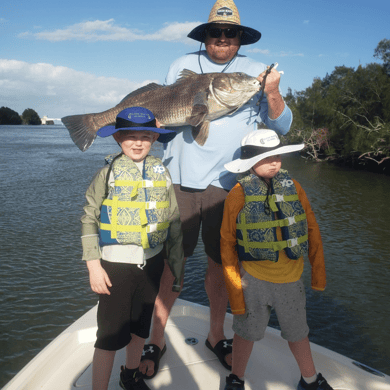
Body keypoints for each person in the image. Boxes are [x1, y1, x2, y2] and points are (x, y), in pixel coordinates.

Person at [139, 0, 293, 379]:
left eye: (231, 33)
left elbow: (283, 126)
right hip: (180, 181)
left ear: (241, 38)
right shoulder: (180, 65)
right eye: (215, 32)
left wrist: (272, 92)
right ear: (204, 35)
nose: (222, 39)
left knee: (222, 266)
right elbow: (170, 122)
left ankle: (215, 335)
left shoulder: (258, 73)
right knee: (171, 265)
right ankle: (155, 339)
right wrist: (151, 126)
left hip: (230, 185)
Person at [220, 129, 333, 390]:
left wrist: (318, 275)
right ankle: (236, 378)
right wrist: (235, 294)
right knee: (245, 334)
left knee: (298, 334)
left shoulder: (296, 188)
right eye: (266, 157)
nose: (275, 162)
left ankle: (310, 379)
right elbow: (227, 244)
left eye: (277, 155)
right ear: (249, 162)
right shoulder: (237, 195)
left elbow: (313, 230)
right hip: (253, 282)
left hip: (291, 281)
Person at [80, 106, 185, 390]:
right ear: (117, 139)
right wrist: (93, 266)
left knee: (141, 327)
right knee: (110, 335)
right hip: (115, 267)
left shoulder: (161, 172)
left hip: (152, 265)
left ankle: (131, 375)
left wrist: (176, 265)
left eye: (144, 136)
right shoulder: (106, 174)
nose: (137, 143)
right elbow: (89, 218)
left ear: (153, 138)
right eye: (130, 137)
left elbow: (173, 220)